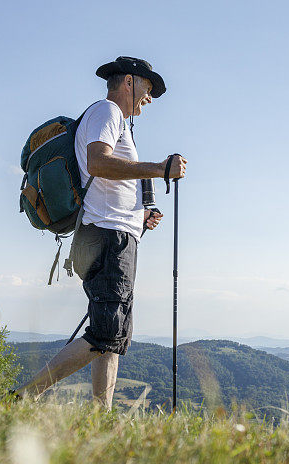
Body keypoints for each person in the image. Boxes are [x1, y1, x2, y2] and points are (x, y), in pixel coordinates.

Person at [15, 57, 187, 409]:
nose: (149, 99)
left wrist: (140, 218)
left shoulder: (113, 119)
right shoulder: (107, 112)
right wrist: (159, 168)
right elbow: (97, 163)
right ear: (129, 81)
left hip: (113, 235)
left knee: (115, 335)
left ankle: (101, 418)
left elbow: (107, 186)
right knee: (107, 331)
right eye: (148, 89)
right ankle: (22, 398)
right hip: (107, 237)